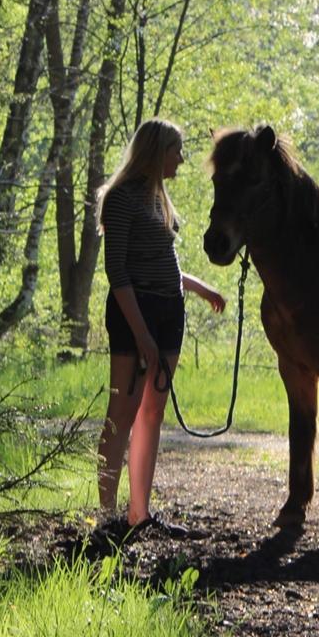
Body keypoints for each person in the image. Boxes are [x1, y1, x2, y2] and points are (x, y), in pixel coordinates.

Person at [95, 118, 225, 536]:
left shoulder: (157, 199)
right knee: (122, 412)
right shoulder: (120, 198)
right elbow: (118, 272)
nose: (181, 159)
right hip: (135, 312)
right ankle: (107, 517)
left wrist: (200, 288)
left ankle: (140, 514)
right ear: (157, 152)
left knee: (152, 413)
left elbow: (161, 263)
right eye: (176, 150)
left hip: (169, 311)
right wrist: (141, 334)